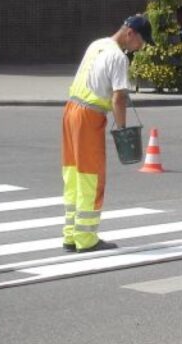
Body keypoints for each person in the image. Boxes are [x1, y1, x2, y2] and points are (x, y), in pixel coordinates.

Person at [62, 14, 153, 253]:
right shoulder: (118, 57)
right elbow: (119, 96)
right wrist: (122, 128)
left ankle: (70, 235)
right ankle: (86, 238)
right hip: (89, 115)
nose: (141, 47)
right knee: (92, 176)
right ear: (131, 33)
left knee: (73, 174)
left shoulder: (97, 44)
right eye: (142, 41)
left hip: (71, 109)